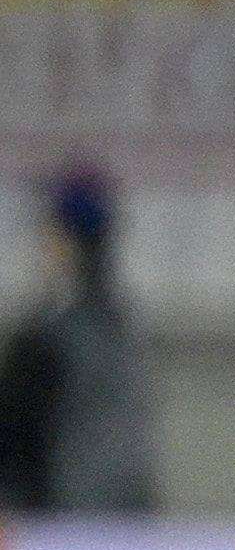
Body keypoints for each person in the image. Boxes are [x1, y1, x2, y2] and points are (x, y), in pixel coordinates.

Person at [0, 167, 158, 514]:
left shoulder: (49, 338)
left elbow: (20, 450)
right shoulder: (124, 327)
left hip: (63, 532)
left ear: (63, 242)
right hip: (122, 526)